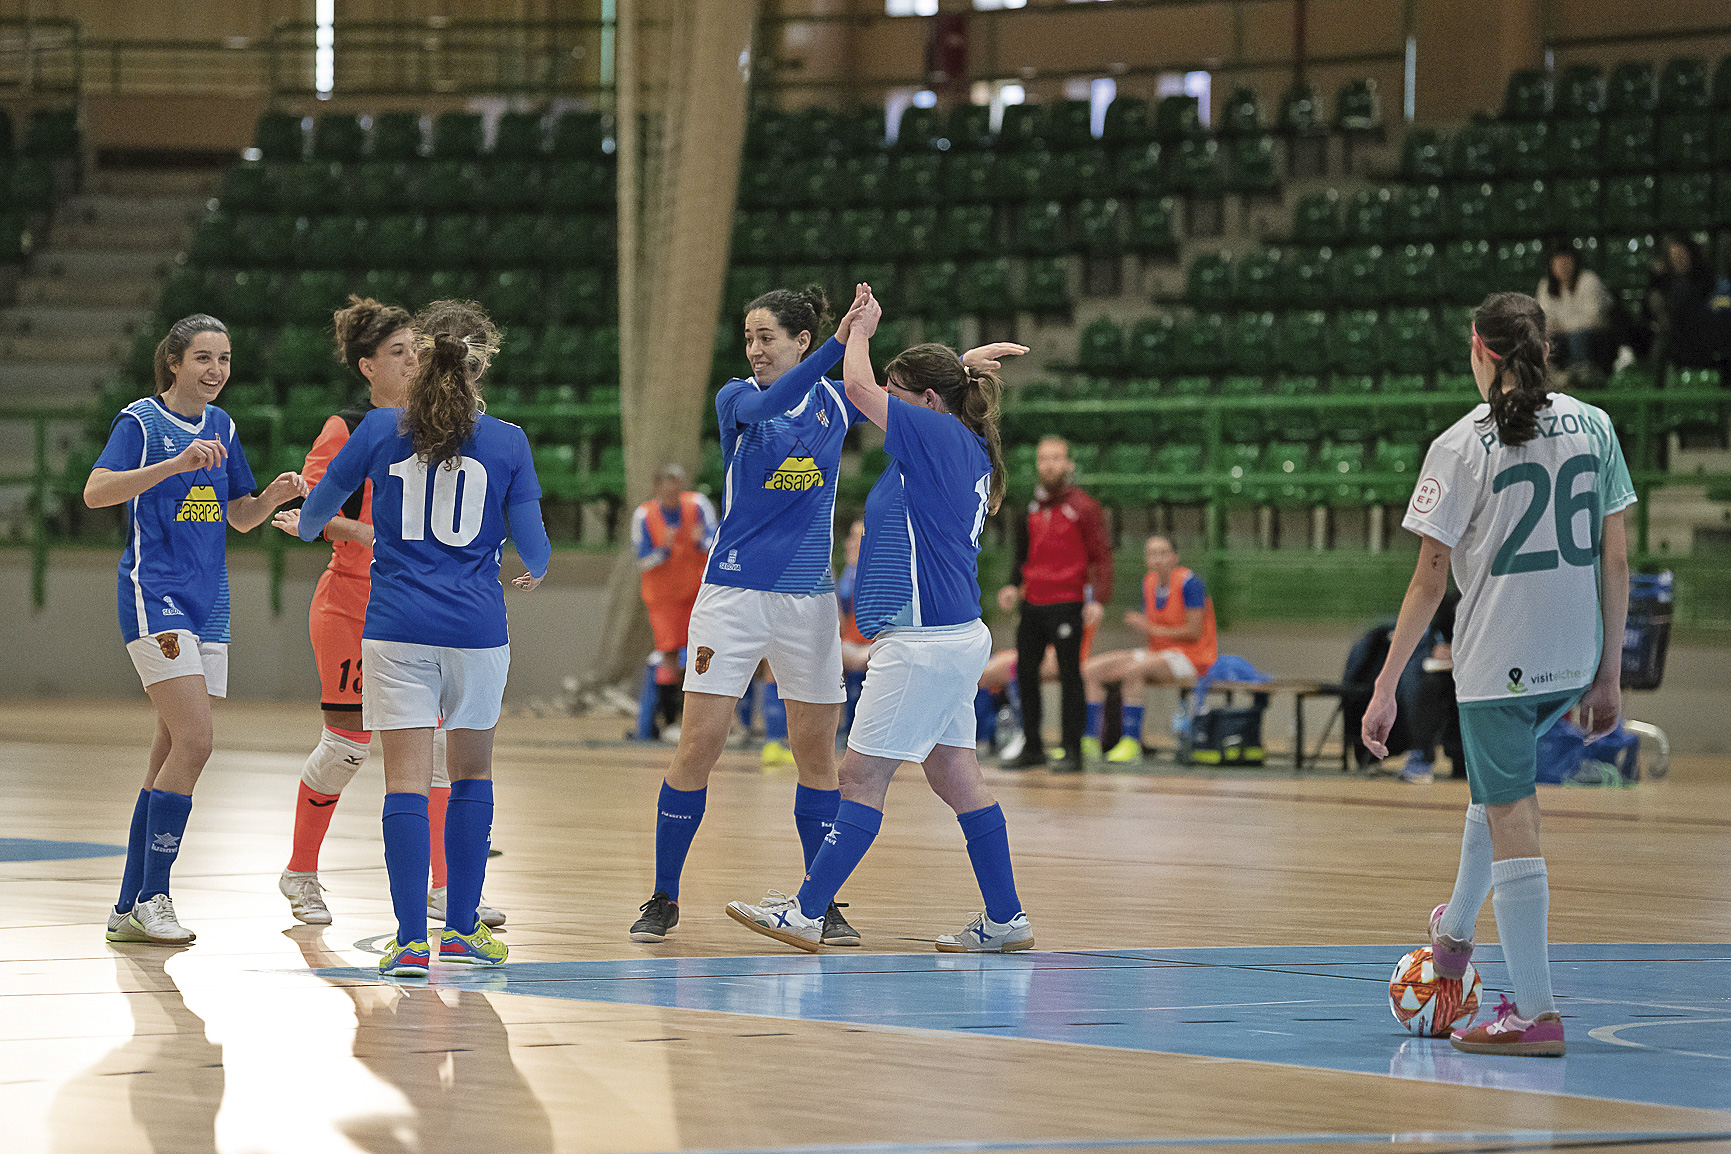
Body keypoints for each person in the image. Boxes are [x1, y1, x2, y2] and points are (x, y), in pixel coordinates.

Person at [1363, 291, 1633, 1058]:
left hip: (1497, 664)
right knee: (1495, 791)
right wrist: (1608, 670)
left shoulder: (1459, 445)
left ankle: (1534, 1014)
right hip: (1572, 654)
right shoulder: (1597, 424)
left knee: (1514, 816)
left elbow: (1426, 583)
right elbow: (1615, 559)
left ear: (1479, 351)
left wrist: (1385, 687)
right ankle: (1452, 939)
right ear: (1542, 350)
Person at [727, 284, 1034, 954]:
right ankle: (1005, 919)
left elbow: (862, 389)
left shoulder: (937, 436)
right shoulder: (952, 438)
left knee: (860, 777)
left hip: (924, 642)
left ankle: (806, 911)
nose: (880, 412)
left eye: (903, 397)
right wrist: (958, 364)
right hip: (951, 637)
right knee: (956, 776)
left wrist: (855, 331)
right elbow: (919, 393)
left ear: (925, 404)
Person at [294, 300, 549, 977]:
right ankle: (460, 930)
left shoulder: (379, 428)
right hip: (474, 628)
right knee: (467, 777)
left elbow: (312, 513)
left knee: (401, 782)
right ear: (480, 361)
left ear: (427, 356)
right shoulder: (508, 440)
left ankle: (408, 940)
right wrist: (531, 566)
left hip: (395, 626)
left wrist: (322, 515)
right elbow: (535, 547)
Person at [87, 313, 307, 946]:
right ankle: (155, 894)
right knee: (197, 741)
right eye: (204, 358)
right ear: (175, 363)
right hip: (154, 597)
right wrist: (174, 465)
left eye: (225, 359)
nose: (217, 370)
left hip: (208, 603)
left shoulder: (225, 426)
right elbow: (97, 492)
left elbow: (238, 516)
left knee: (168, 750)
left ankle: (129, 905)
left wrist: (272, 497)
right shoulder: (140, 422)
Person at [997, 435, 1112, 773]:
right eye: (1043, 458)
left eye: (1056, 458)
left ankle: (1071, 750)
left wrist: (1099, 599)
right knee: (1026, 674)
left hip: (1068, 601)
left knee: (1069, 675)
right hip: (1033, 602)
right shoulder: (1029, 508)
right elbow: (1021, 557)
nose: (1049, 464)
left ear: (1069, 464)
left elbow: (1102, 556)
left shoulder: (1084, 507)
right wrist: (1012, 585)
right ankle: (1032, 746)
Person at [1081, 535, 1217, 764]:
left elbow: (1193, 632)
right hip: (1159, 652)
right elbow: (1155, 631)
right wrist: (1145, 629)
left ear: (1174, 557)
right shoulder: (1149, 583)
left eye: (1163, 553)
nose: (1157, 559)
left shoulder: (1190, 583)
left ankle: (1132, 743)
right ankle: (1090, 740)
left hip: (1192, 657)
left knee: (1134, 671)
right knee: (1090, 669)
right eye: (1152, 554)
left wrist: (1149, 627)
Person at [630, 463, 718, 740]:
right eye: (666, 484)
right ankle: (669, 722)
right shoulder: (644, 514)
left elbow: (716, 542)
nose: (672, 490)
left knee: (701, 651)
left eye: (676, 483)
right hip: (663, 598)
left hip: (696, 594)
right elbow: (642, 560)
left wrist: (701, 542)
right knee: (668, 654)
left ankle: (700, 720)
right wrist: (663, 550)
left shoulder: (698, 505)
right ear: (657, 487)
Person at [1534, 244, 1614, 381]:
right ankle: (1553, 378)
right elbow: (1544, 319)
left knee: (1577, 337)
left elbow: (1594, 317)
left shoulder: (1589, 280)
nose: (1563, 267)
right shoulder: (1545, 285)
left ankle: (1582, 376)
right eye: (1558, 263)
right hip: (1559, 335)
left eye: (1566, 262)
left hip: (1592, 334)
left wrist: (1566, 327)